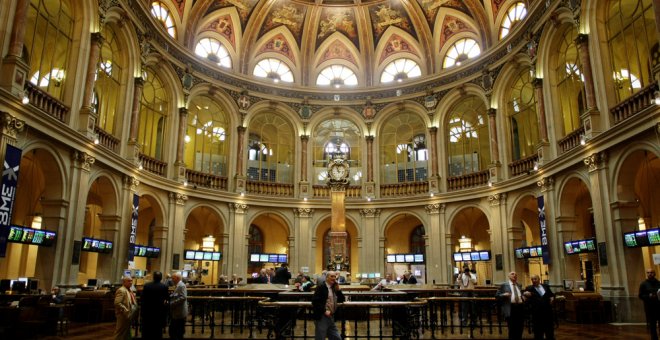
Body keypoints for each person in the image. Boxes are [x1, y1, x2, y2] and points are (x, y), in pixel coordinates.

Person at [312, 271, 345, 340]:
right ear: (327, 278)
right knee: (320, 337)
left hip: (331, 317)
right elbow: (315, 301)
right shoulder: (321, 287)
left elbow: (342, 299)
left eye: (335, 277)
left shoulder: (334, 288)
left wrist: (338, 290)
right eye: (331, 276)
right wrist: (324, 311)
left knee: (337, 338)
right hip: (322, 317)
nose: (333, 278)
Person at [523, 274, 555, 340]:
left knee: (549, 330)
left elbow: (551, 295)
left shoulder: (545, 286)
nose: (534, 281)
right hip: (537, 313)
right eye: (532, 279)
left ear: (539, 279)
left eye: (535, 279)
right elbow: (524, 298)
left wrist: (552, 298)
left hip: (547, 312)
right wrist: (524, 294)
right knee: (538, 331)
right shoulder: (529, 288)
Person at [141, 271, 169, 339]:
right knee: (158, 330)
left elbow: (143, 298)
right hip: (159, 311)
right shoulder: (164, 286)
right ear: (161, 278)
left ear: (153, 277)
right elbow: (167, 298)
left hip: (148, 311)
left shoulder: (146, 285)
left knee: (147, 329)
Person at [496, 271, 525, 340]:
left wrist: (523, 297)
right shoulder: (504, 285)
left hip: (520, 307)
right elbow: (497, 296)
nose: (514, 275)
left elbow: (519, 294)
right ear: (509, 276)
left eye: (516, 274)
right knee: (512, 328)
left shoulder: (519, 284)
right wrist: (503, 295)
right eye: (512, 274)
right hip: (511, 308)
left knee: (520, 327)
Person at [114, 275, 137, 340]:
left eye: (131, 281)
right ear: (124, 282)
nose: (131, 282)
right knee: (120, 332)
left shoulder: (129, 289)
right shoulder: (121, 290)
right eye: (129, 281)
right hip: (122, 315)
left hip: (128, 314)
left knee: (126, 332)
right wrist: (126, 310)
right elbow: (117, 303)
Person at [639, 268, 660, 340]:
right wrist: (648, 296)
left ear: (654, 274)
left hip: (659, 307)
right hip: (650, 308)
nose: (649, 274)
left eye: (651, 272)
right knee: (653, 326)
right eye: (648, 272)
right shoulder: (643, 284)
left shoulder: (659, 283)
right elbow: (640, 295)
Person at [169, 272, 188, 340]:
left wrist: (172, 303)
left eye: (173, 278)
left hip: (179, 312)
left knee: (177, 332)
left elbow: (183, 297)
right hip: (178, 312)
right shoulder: (179, 285)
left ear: (177, 278)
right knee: (176, 331)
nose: (172, 280)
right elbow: (177, 295)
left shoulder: (181, 285)